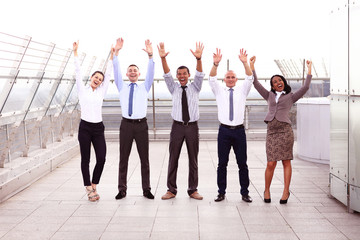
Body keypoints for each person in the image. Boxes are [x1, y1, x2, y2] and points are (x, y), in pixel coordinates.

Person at [250, 56, 312, 204]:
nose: (278, 83)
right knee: (271, 163)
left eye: (280, 80)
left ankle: (286, 191)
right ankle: (266, 190)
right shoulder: (268, 95)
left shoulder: (291, 96)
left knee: (286, 161)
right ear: (272, 86)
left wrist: (309, 69)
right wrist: (251, 66)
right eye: (275, 82)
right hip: (272, 131)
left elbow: (305, 87)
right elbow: (255, 82)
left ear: (284, 83)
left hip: (285, 131)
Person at [158, 42, 205, 200]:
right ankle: (171, 189)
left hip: (192, 127)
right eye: (179, 74)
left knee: (193, 159)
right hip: (177, 127)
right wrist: (163, 58)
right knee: (173, 158)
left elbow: (200, 74)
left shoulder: (195, 87)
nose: (182, 76)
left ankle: (193, 190)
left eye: (184, 73)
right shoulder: (174, 88)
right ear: (177, 76)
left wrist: (199, 59)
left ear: (188, 75)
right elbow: (166, 74)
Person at [209, 48, 253, 203]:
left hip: (239, 132)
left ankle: (245, 192)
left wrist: (244, 62)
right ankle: (221, 192)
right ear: (224, 79)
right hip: (224, 131)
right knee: (222, 163)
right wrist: (215, 64)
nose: (230, 79)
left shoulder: (243, 90)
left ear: (236, 79)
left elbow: (249, 77)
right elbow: (211, 78)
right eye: (228, 77)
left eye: (233, 77)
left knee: (242, 163)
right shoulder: (219, 91)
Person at [113, 38, 155, 200]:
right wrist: (116, 53)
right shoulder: (121, 86)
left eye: (134, 70)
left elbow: (151, 73)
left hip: (141, 125)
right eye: (129, 70)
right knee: (123, 158)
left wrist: (151, 57)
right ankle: (122, 189)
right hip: (126, 126)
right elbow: (115, 69)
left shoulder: (144, 87)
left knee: (144, 159)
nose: (132, 72)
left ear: (138, 74)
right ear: (126, 74)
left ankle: (146, 189)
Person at [73, 40, 113, 202]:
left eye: (100, 79)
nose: (98, 79)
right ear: (91, 78)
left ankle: (94, 184)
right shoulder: (82, 90)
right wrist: (75, 53)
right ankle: (88, 188)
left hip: (98, 128)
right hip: (84, 128)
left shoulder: (101, 92)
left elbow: (109, 73)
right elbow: (77, 71)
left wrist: (112, 54)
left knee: (102, 158)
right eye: (96, 77)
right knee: (85, 159)